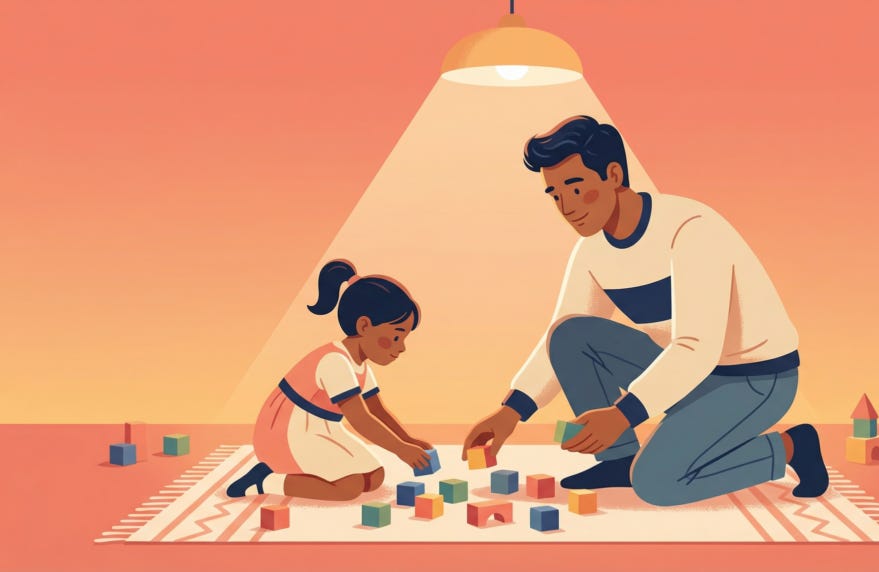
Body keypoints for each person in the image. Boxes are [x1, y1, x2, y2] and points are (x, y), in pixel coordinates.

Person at [462, 115, 828, 506]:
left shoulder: (691, 228)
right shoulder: (592, 251)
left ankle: (791, 447)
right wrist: (510, 413)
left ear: (613, 175)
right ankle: (618, 458)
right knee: (571, 334)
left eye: (575, 187)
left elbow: (697, 346)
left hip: (754, 380)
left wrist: (622, 414)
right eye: (554, 195)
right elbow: (561, 335)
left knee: (657, 483)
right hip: (686, 376)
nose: (565, 207)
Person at [227, 259, 433, 501]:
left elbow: (377, 411)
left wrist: (407, 441)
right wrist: (400, 449)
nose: (401, 348)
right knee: (349, 487)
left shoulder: (359, 365)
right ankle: (264, 480)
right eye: (396, 337)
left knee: (373, 478)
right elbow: (360, 418)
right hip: (286, 432)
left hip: (321, 429)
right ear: (365, 325)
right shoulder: (334, 361)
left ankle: (287, 476)